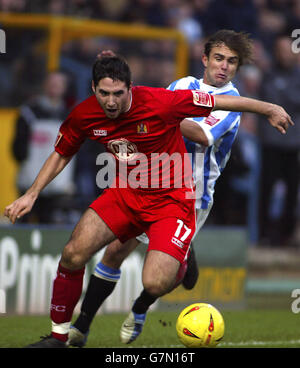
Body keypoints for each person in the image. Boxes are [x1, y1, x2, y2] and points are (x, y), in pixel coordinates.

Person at [4, 51, 293, 348]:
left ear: (131, 87)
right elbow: (63, 151)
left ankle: (180, 257)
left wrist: (268, 108)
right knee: (73, 253)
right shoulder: (85, 113)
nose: (111, 101)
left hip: (172, 202)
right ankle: (59, 337)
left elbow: (222, 102)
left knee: (154, 281)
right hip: (125, 193)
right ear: (93, 89)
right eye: (104, 93)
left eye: (118, 93)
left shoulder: (160, 102)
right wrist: (32, 193)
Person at [67, 30, 254, 347]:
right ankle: (81, 327)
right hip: (150, 182)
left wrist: (156, 115)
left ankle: (139, 308)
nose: (224, 66)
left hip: (191, 196)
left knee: (161, 276)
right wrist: (115, 75)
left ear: (237, 67)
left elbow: (200, 135)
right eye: (219, 58)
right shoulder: (182, 86)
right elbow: (144, 105)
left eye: (232, 62)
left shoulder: (231, 103)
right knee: (115, 250)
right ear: (205, 58)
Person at [12, 71, 76, 224]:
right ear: (44, 85)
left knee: (51, 226)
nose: (54, 87)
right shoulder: (29, 112)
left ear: (65, 88)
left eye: (58, 84)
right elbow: (18, 148)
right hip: (29, 181)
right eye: (51, 83)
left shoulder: (71, 115)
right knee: (22, 223)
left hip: (59, 186)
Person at [258, 35, 300, 247]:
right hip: (271, 142)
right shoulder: (268, 74)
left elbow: (288, 100)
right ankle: (264, 234)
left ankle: (286, 234)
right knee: (267, 187)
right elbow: (268, 100)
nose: (285, 54)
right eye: (281, 50)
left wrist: (282, 97)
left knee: (292, 190)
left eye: (288, 50)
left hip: (293, 144)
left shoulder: (296, 75)